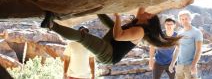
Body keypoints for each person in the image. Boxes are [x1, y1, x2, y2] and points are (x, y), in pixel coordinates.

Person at [41, 7, 181, 65]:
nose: (148, 12)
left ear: (148, 21)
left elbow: (118, 35)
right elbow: (141, 6)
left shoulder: (140, 31)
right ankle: (97, 10)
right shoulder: (137, 22)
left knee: (83, 37)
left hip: (109, 55)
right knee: (109, 24)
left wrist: (118, 16)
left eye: (150, 15)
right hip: (110, 45)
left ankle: (51, 25)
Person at [169, 10, 203, 79]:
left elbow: (198, 50)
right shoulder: (180, 33)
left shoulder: (197, 32)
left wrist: (193, 65)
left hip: (190, 65)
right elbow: (177, 49)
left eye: (186, 19)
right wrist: (172, 63)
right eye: (182, 19)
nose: (184, 21)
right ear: (180, 21)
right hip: (179, 66)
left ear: (190, 19)